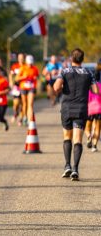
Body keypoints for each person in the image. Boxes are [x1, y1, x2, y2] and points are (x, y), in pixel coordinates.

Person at [53, 48, 98, 181]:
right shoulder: (88, 73)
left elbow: (56, 87)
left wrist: (64, 87)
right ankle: (75, 169)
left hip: (67, 108)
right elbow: (95, 90)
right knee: (78, 139)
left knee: (67, 137)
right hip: (81, 108)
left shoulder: (65, 71)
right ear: (82, 59)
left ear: (71, 58)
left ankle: (67, 165)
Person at [16, 55, 39, 126]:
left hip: (31, 87)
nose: (30, 65)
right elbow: (17, 78)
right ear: (26, 62)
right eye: (29, 63)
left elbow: (37, 76)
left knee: (30, 104)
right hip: (23, 87)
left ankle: (29, 120)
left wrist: (35, 77)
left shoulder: (35, 68)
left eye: (31, 63)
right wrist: (23, 77)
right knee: (24, 103)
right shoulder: (23, 68)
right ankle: (24, 116)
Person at [85, 59, 101, 152]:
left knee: (88, 127)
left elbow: (87, 98)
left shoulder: (90, 86)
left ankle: (89, 137)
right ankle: (94, 146)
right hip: (100, 108)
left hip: (90, 108)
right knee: (98, 127)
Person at [9, 53, 25, 125]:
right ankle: (15, 113)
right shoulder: (14, 66)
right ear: (18, 58)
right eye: (19, 57)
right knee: (16, 103)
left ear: (24, 58)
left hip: (24, 87)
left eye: (22, 57)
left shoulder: (26, 66)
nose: (20, 59)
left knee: (22, 104)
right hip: (16, 87)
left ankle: (21, 119)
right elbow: (11, 74)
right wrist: (11, 82)